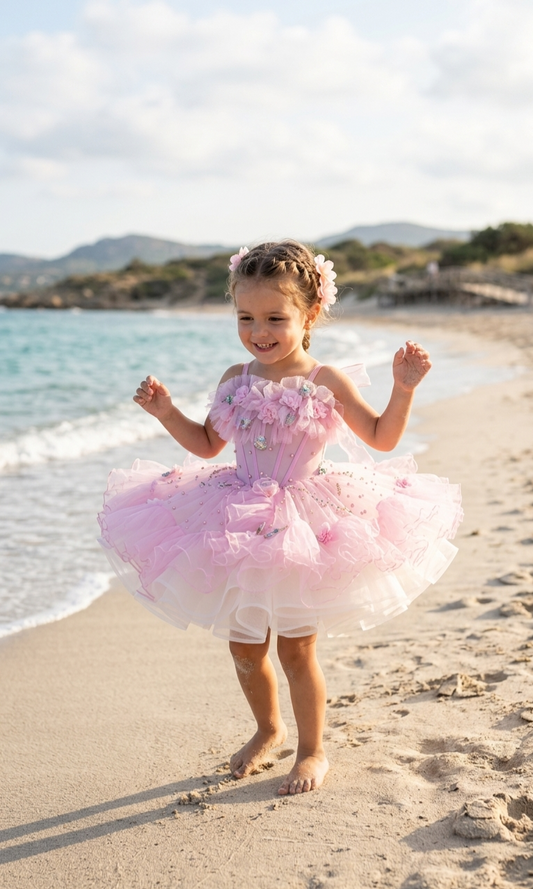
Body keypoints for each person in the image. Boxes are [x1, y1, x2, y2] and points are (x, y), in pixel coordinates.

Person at [98, 240, 462, 796]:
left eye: (275, 317)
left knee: (296, 646)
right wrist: (166, 411)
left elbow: (383, 438)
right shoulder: (234, 376)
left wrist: (403, 388)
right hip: (235, 514)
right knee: (245, 646)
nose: (258, 331)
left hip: (301, 522)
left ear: (310, 313)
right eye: (245, 317)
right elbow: (205, 445)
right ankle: (267, 729)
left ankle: (313, 750)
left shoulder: (326, 380)